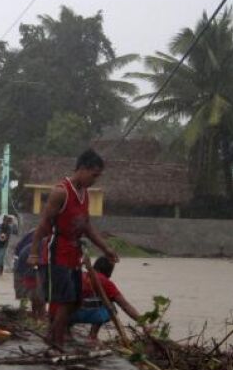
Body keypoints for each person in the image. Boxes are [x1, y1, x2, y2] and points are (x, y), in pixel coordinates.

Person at [27, 149, 119, 350]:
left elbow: (86, 226)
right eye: (94, 175)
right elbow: (43, 224)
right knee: (66, 300)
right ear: (83, 169)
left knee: (76, 301)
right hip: (56, 252)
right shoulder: (61, 192)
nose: (95, 180)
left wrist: (106, 249)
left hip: (74, 254)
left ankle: (52, 335)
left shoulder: (84, 194)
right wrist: (34, 252)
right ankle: (56, 341)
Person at [70, 256, 141, 341]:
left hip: (69, 315)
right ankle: (93, 335)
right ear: (108, 270)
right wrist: (143, 323)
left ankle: (66, 329)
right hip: (88, 315)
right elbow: (125, 306)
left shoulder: (80, 276)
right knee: (111, 307)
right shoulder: (106, 282)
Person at [13, 230, 45, 319]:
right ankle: (37, 317)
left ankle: (30, 315)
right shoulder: (42, 243)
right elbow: (32, 261)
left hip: (25, 268)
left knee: (33, 295)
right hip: (26, 270)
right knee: (38, 297)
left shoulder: (36, 236)